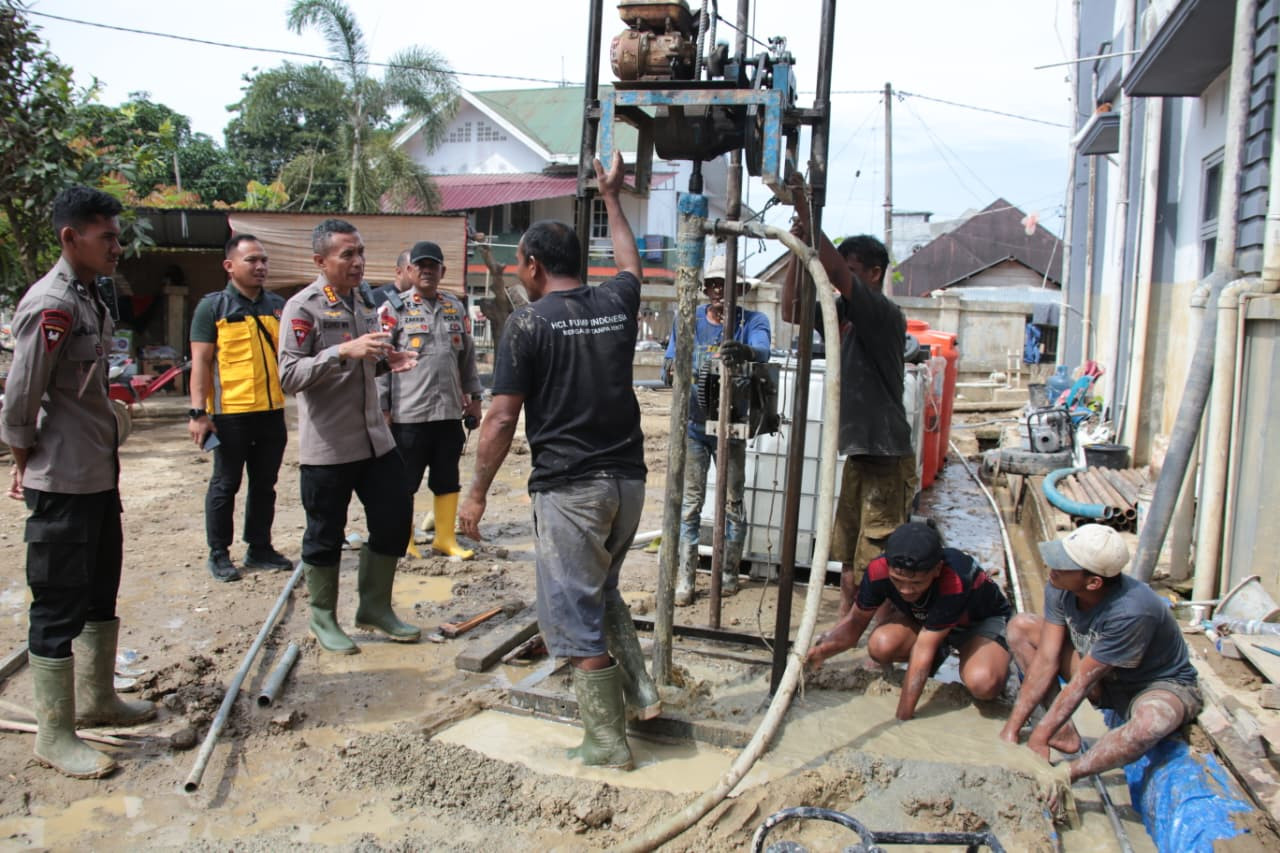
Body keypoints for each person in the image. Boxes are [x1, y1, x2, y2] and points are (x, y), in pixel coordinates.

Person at [459, 152, 660, 770]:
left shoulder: (527, 324)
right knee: (600, 592)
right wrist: (613, 199)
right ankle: (642, 694)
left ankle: (605, 741)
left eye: (520, 262)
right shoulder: (618, 301)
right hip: (628, 484)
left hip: (572, 490)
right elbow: (631, 262)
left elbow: (499, 418)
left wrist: (476, 493)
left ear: (534, 266)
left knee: (571, 614)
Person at [0, 186, 155, 778]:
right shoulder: (53, 304)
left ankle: (97, 700)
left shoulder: (94, 296)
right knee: (58, 603)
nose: (119, 246)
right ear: (71, 238)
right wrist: (23, 456)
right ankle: (54, 734)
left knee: (98, 591)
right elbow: (21, 397)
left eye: (118, 235)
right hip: (61, 478)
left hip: (95, 472)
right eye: (108, 237)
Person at [278, 219, 421, 654]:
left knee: (395, 519)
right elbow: (288, 376)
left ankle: (374, 607)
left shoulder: (366, 300)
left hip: (376, 439)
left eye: (360, 252)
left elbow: (362, 364)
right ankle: (323, 618)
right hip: (330, 445)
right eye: (347, 254)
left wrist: (385, 360)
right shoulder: (302, 308)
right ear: (320, 261)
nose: (358, 261)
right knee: (325, 532)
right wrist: (342, 350)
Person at [783, 200, 915, 618]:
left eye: (856, 271)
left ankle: (876, 628)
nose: (847, 280)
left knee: (877, 549)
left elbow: (836, 274)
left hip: (886, 451)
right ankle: (846, 620)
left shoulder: (883, 313)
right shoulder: (841, 313)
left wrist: (810, 221)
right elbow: (792, 310)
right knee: (847, 544)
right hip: (862, 449)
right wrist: (796, 247)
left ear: (874, 274)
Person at [999, 524, 1202, 787]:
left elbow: (1081, 683)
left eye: (1063, 565)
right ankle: (1063, 733)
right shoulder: (1060, 586)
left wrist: (1039, 737)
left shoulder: (1132, 611)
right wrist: (1012, 729)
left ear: (1093, 582)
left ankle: (1068, 773)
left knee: (1150, 724)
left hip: (1155, 685)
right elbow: (1046, 659)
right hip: (1103, 677)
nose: (1052, 569)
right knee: (1021, 627)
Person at [806, 521, 1012, 720]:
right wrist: (821, 652)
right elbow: (855, 623)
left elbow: (924, 647)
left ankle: (998, 658)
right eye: (897, 580)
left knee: (983, 682)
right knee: (881, 645)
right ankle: (940, 652)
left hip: (977, 624)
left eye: (916, 582)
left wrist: (902, 718)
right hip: (928, 621)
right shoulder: (877, 570)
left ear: (937, 570)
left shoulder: (954, 577)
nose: (905, 590)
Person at [661, 255, 771, 605]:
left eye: (727, 285)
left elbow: (764, 352)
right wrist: (674, 370)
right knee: (691, 502)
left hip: (733, 425)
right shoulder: (689, 320)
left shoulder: (752, 320)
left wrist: (745, 350)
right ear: (705, 288)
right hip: (695, 425)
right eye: (713, 284)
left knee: (732, 500)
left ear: (740, 290)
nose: (719, 291)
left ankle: (727, 575)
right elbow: (669, 364)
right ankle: (686, 580)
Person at [187, 235, 292, 582]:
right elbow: (201, 363)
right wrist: (198, 413)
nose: (260, 266)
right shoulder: (213, 308)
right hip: (231, 415)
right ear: (229, 266)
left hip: (272, 412)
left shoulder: (278, 306)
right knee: (225, 485)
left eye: (264, 260)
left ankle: (259, 547)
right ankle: (219, 554)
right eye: (252, 260)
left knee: (265, 484)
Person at [378, 240, 483, 560]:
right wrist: (383, 409)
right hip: (408, 413)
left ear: (442, 271)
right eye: (420, 265)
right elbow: (380, 363)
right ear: (409, 270)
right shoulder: (393, 310)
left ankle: (445, 539)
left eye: (432, 265)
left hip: (448, 411)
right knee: (404, 482)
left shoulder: (455, 307)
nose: (426, 271)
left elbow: (467, 359)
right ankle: (404, 541)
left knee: (447, 478)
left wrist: (475, 397)